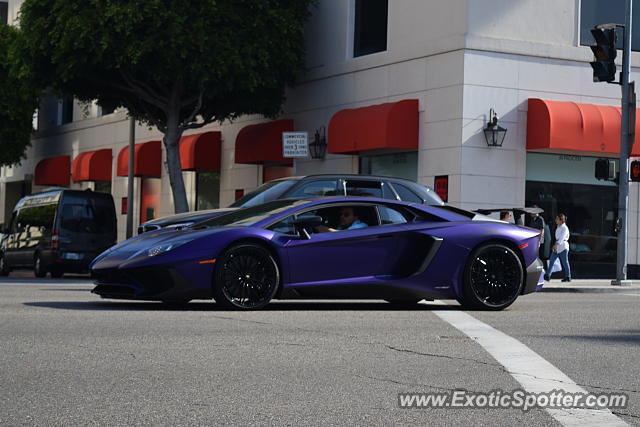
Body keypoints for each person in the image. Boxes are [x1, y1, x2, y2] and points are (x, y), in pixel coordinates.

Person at [544, 213, 571, 282]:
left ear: (561, 220)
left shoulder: (564, 228)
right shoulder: (558, 227)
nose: (556, 220)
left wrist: (556, 244)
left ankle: (568, 276)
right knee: (551, 261)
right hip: (557, 247)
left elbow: (562, 238)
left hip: (563, 247)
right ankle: (548, 275)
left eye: (557, 219)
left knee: (565, 262)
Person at [529, 206, 549, 270]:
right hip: (533, 239)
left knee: (539, 254)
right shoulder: (532, 219)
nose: (531, 213)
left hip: (539, 239)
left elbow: (542, 230)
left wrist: (539, 239)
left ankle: (541, 269)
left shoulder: (540, 219)